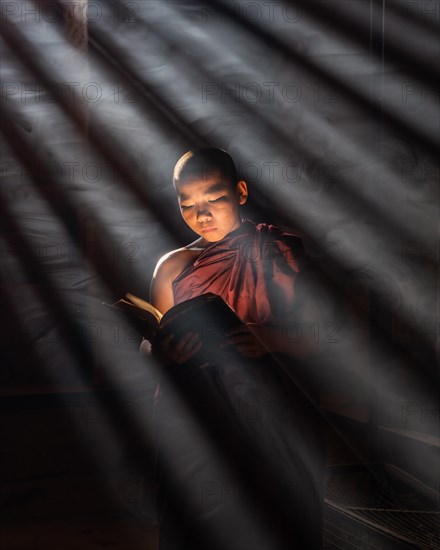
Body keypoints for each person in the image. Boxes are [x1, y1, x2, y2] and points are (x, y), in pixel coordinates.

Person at [149, 148, 324, 550]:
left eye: (214, 198)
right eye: (187, 204)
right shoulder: (174, 267)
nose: (201, 214)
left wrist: (272, 338)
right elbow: (156, 345)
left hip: (272, 409)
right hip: (201, 415)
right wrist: (164, 352)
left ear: (241, 192)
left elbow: (323, 337)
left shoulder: (278, 250)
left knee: (276, 518)